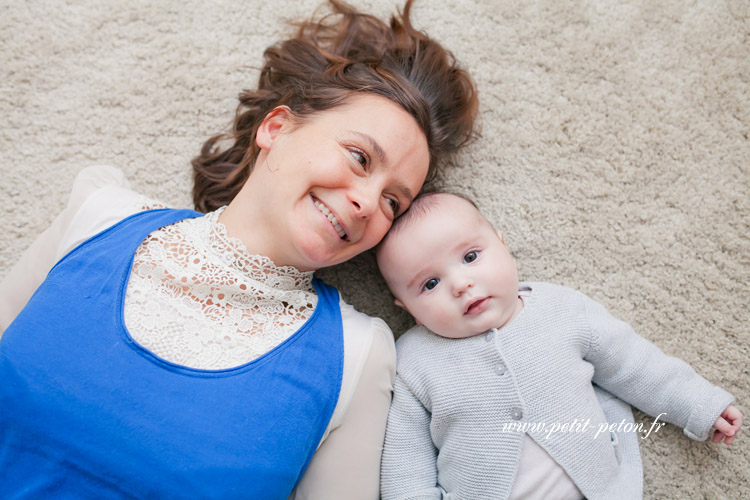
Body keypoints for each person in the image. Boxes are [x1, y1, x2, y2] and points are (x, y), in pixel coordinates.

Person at [0, 1, 478, 498]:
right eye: (359, 157)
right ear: (276, 127)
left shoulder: (358, 356)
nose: (365, 203)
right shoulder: (97, 214)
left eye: (392, 202)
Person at [376, 192, 742, 500]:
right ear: (407, 309)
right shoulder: (414, 362)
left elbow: (634, 363)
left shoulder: (561, 308)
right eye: (430, 284)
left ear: (503, 246)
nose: (460, 284)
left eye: (471, 257)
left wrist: (698, 405)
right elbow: (405, 462)